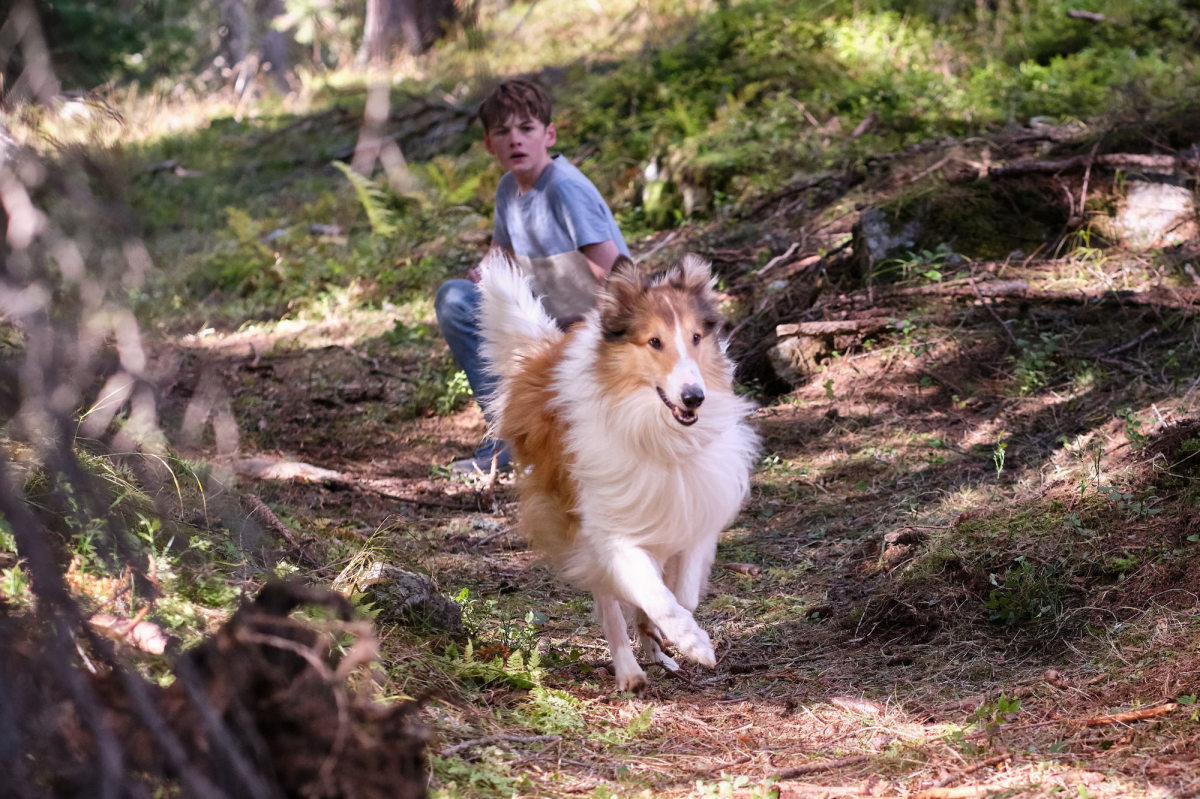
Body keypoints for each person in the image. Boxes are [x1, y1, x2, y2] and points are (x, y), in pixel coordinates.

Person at [435, 79, 630, 474]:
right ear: (489, 143)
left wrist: (601, 334)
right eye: (503, 132)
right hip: (544, 324)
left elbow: (616, 275)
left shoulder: (565, 189)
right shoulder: (509, 188)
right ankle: (510, 441)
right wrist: (483, 275)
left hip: (592, 331)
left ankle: (548, 443)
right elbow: (500, 257)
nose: (516, 141)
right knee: (455, 299)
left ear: (549, 134)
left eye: (526, 129)